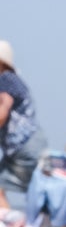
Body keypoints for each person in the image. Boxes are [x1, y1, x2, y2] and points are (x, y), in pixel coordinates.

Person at [0, 41, 47, 206]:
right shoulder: (13, 79)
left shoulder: (5, 79)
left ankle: (9, 225)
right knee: (35, 188)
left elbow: (2, 111)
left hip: (23, 145)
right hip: (30, 143)